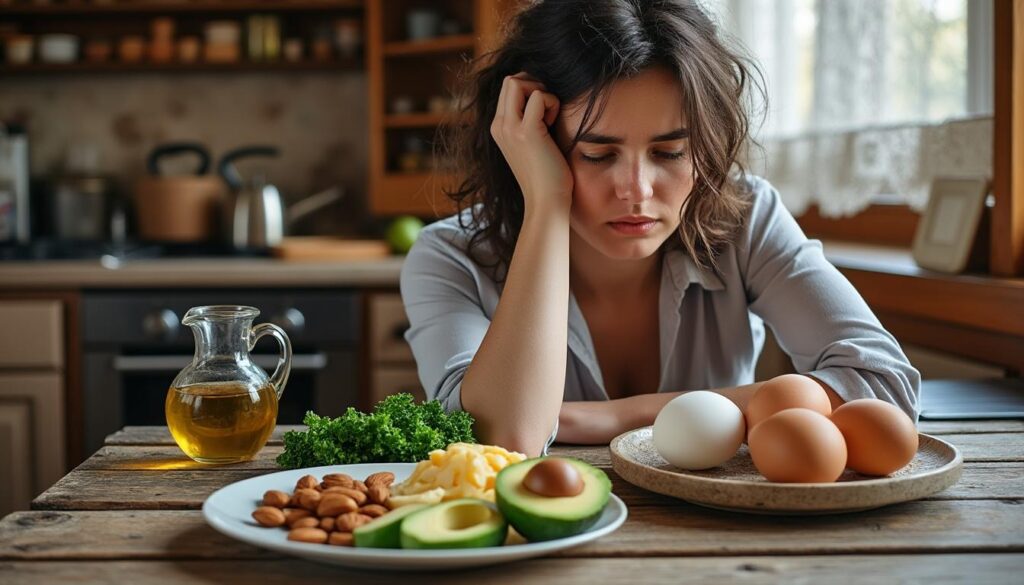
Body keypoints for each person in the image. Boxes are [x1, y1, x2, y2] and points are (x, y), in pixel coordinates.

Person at [399, 0, 920, 457]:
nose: (637, 190)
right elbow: (500, 441)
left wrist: (613, 416)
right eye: (598, 154)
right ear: (532, 140)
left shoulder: (746, 217)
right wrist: (547, 204)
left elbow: (883, 386)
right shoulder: (449, 258)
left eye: (670, 152)